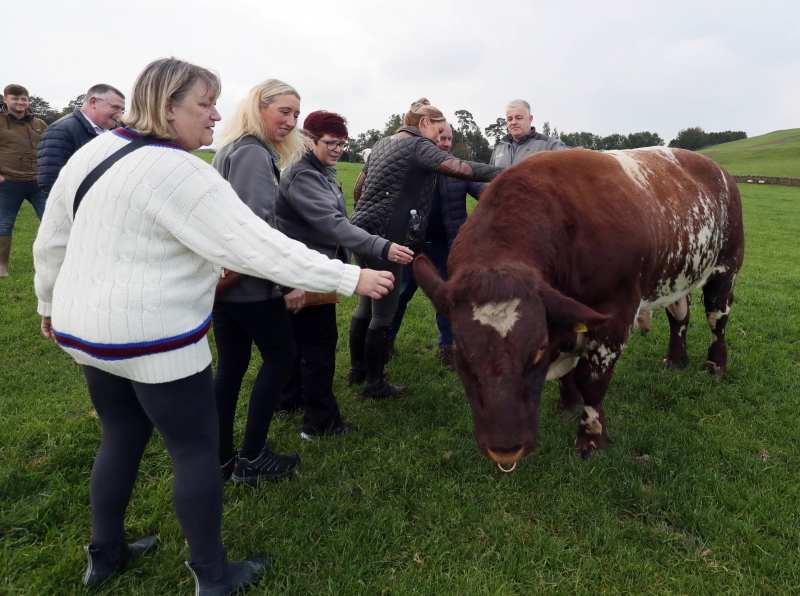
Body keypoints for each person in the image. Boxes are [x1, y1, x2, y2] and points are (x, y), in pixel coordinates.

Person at [33, 57, 393, 594]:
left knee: (120, 435)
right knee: (196, 451)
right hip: (156, 340)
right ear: (168, 105)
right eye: (204, 104)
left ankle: (105, 551)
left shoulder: (93, 152)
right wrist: (349, 276)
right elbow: (256, 245)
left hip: (86, 333)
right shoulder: (179, 170)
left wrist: (48, 305)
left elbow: (51, 240)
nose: (215, 114)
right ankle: (213, 573)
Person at [349, 98, 503, 398]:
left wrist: (366, 213)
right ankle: (375, 383)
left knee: (365, 303)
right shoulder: (419, 145)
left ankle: (358, 370)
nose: (439, 138)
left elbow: (359, 184)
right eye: (438, 131)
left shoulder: (383, 142)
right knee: (383, 311)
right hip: (389, 238)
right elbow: (459, 166)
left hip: (361, 231)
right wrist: (502, 173)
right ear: (424, 124)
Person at [276, 111, 414, 438]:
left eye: (342, 143)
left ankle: (289, 400)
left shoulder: (320, 169)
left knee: (301, 344)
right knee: (318, 349)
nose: (338, 149)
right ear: (309, 140)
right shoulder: (304, 175)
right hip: (310, 272)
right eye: (331, 143)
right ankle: (320, 423)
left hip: (312, 268)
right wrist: (382, 247)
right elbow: (334, 224)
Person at [210, 79, 312, 484]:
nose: (290, 121)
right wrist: (287, 281)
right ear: (259, 107)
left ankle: (220, 459)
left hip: (225, 285)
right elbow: (256, 229)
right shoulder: (253, 153)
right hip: (251, 284)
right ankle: (252, 457)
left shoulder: (229, 149)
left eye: (295, 115)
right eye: (283, 111)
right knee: (281, 358)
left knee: (231, 367)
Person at [389, 122, 486, 369]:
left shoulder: (458, 169)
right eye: (441, 137)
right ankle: (385, 341)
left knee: (449, 299)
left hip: (448, 247)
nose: (445, 143)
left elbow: (483, 190)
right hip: (411, 246)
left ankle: (449, 347)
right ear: (427, 135)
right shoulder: (410, 166)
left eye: (449, 139)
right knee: (398, 296)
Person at [37, 84, 126, 198]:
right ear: (93, 102)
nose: (120, 114)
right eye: (115, 107)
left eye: (122, 110)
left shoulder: (117, 132)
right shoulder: (60, 130)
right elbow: (50, 179)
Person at [0, 84, 47, 277]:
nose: (20, 102)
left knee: (50, 220)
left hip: (38, 183)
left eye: (24, 99)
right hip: (9, 182)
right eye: (15, 98)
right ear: (5, 99)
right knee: (4, 223)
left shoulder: (39, 123)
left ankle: (47, 262)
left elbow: (49, 149)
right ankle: (1, 265)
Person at [490, 99, 569, 167]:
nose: (513, 122)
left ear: (530, 119)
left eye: (519, 118)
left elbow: (576, 156)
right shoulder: (499, 148)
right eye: (510, 119)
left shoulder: (548, 144)